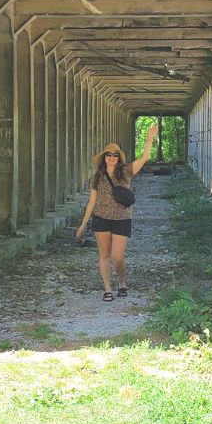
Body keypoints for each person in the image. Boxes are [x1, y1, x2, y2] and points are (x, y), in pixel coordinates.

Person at [75, 123, 158, 301]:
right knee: (104, 255)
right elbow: (92, 201)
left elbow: (144, 158)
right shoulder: (98, 176)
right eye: (109, 155)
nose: (112, 158)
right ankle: (107, 289)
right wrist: (83, 223)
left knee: (118, 257)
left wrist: (150, 138)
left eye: (115, 155)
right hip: (101, 219)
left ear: (119, 157)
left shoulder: (126, 172)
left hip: (122, 218)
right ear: (104, 157)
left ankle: (121, 281)